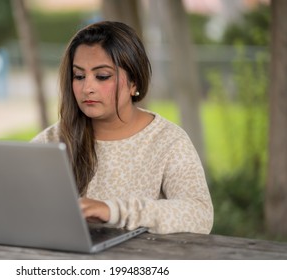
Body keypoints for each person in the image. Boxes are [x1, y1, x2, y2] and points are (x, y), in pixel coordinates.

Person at [31, 21, 213, 234]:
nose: (87, 88)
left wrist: (114, 211)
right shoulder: (53, 140)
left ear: (134, 82)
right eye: (79, 76)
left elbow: (200, 215)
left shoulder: (168, 141)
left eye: (102, 76)